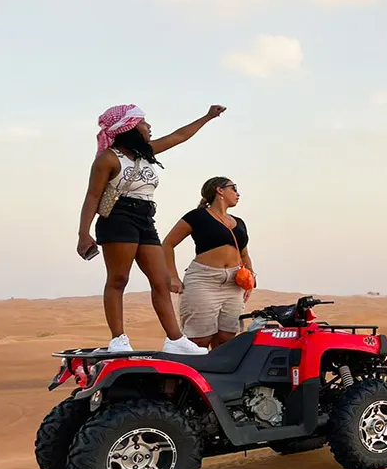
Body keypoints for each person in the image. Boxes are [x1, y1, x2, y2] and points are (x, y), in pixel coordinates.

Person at [76, 103, 226, 354]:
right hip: (118, 217)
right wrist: (83, 233)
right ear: (128, 128)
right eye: (143, 123)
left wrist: (208, 117)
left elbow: (178, 136)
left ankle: (175, 340)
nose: (149, 127)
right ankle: (118, 339)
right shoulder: (108, 159)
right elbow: (92, 196)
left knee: (161, 280)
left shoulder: (146, 153)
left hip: (145, 218)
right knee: (118, 279)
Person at [163, 177, 256, 349]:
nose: (238, 193)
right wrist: (173, 277)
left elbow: (244, 254)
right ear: (219, 190)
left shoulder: (239, 222)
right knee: (199, 340)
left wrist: (250, 279)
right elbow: (167, 244)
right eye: (233, 188)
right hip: (204, 280)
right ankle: (193, 375)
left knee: (226, 339)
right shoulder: (196, 216)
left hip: (234, 283)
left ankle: (217, 376)